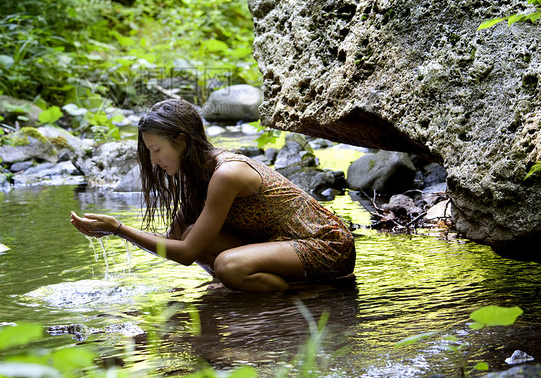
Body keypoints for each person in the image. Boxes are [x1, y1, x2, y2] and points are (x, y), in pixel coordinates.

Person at [70, 98, 355, 292]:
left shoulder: (226, 174)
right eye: (149, 153)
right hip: (281, 244)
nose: (154, 161)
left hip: (325, 246)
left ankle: (301, 298)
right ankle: (246, 287)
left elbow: (186, 255)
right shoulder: (197, 175)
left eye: (157, 150)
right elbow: (175, 242)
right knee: (189, 231)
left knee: (229, 266)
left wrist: (119, 229)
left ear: (182, 141)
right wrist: (111, 231)